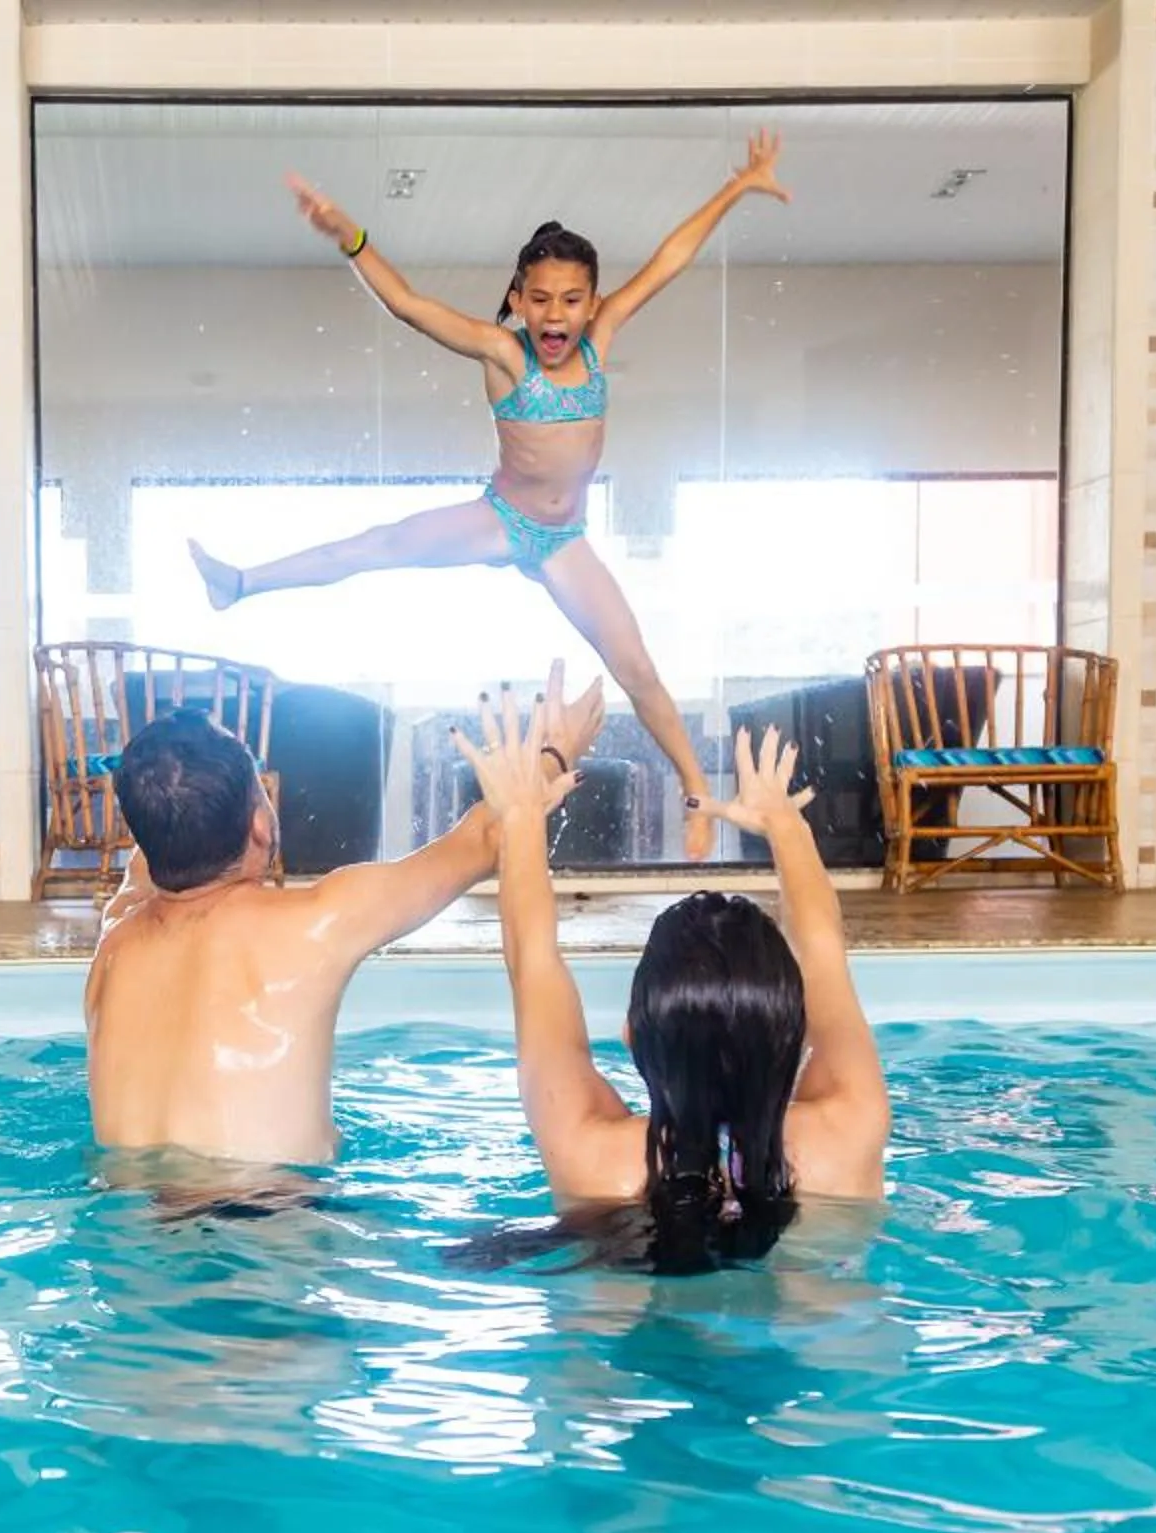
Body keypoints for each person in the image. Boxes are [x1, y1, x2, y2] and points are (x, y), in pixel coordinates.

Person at [186, 133, 792, 862]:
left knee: (637, 668)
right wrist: (350, 235)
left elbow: (671, 257)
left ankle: (698, 796)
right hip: (500, 522)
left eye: (571, 300)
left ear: (592, 301)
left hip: (563, 540)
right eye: (539, 300)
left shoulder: (600, 338)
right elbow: (410, 305)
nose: (556, 316)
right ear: (518, 301)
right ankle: (242, 583)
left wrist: (739, 185)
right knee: (379, 545)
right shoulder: (505, 355)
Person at [87, 663, 606, 1168]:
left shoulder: (113, 945)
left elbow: (156, 840)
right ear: (260, 826)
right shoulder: (316, 922)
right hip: (271, 1224)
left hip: (131, 1219)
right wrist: (560, 751)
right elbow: (492, 835)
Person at [456, 692, 888, 1275]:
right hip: (825, 1359)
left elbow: (531, 961)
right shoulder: (850, 1129)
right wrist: (784, 825)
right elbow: (824, 953)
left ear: (632, 1035)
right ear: (799, 1031)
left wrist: (521, 815)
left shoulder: (590, 1154)